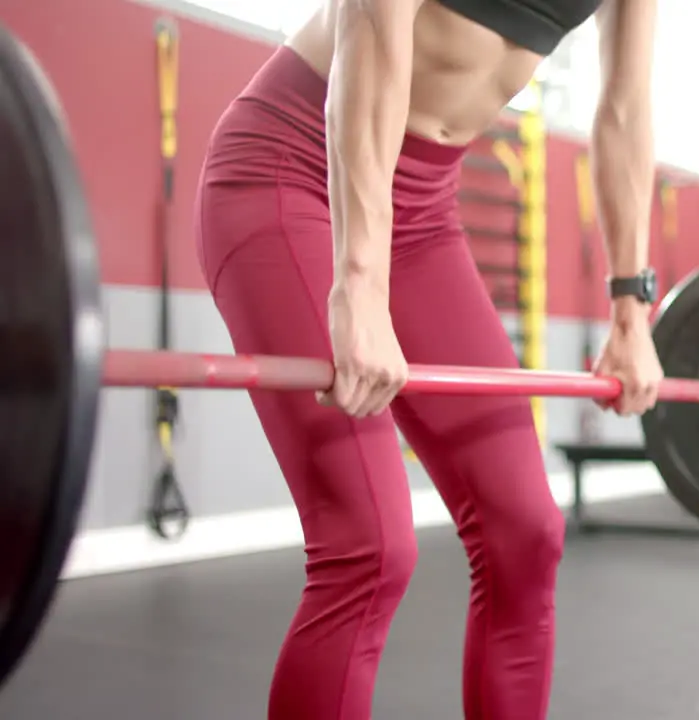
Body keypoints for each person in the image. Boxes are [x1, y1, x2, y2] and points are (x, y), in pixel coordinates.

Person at [193, 0, 662, 717]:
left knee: (525, 533)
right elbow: (370, 32)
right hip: (290, 169)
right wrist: (358, 284)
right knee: (368, 547)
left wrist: (633, 313)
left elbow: (626, 109)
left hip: (424, 210)